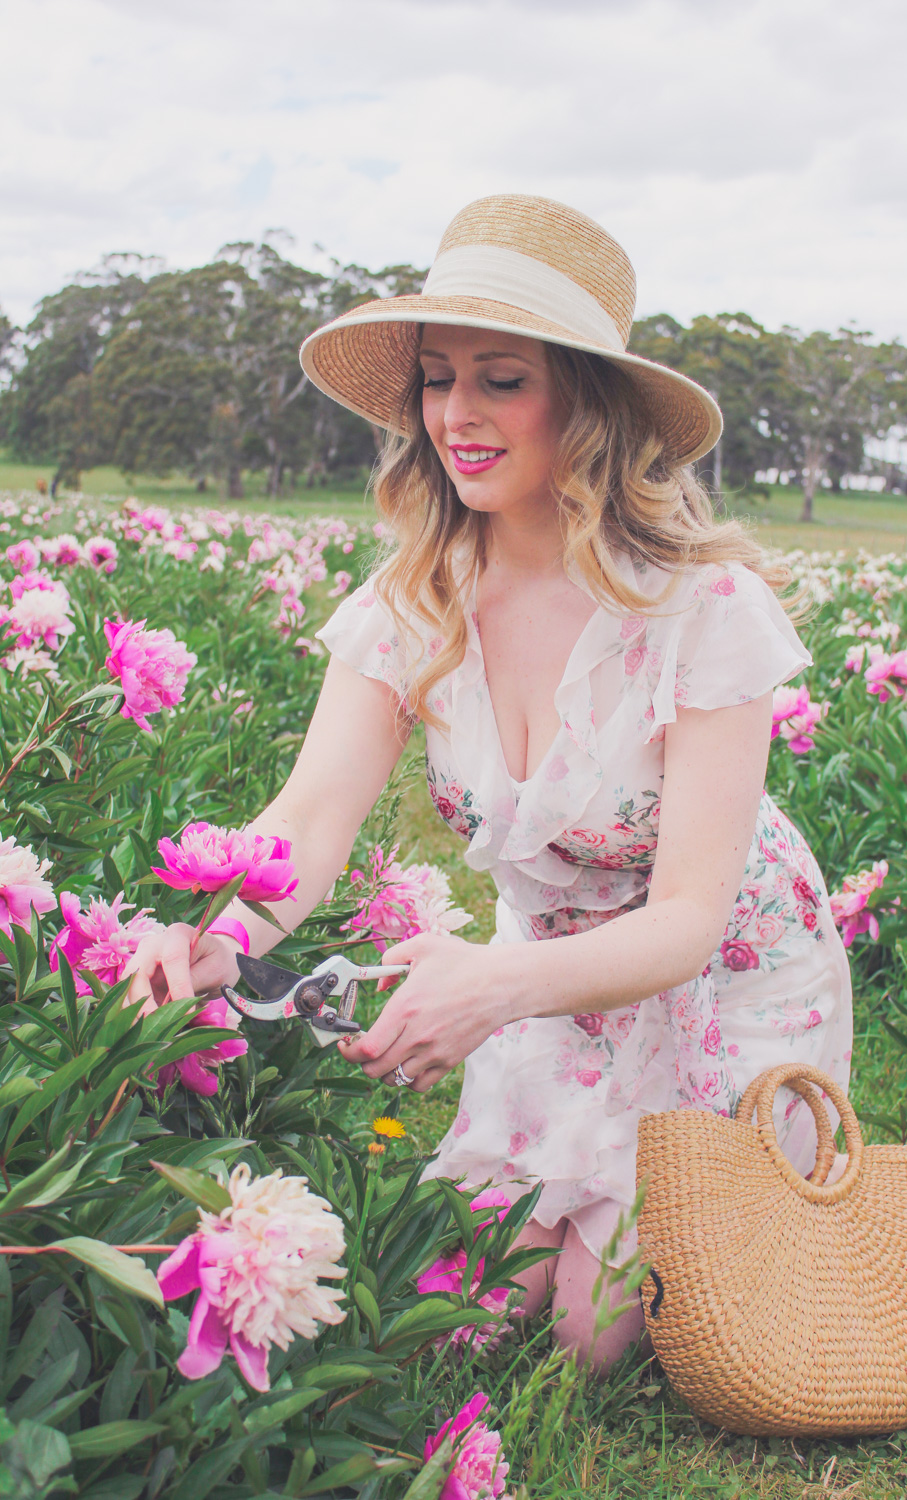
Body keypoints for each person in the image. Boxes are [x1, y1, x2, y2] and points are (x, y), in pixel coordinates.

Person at [126, 195, 852, 1375]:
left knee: (588, 1334)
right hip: (544, 980)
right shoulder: (412, 601)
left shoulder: (702, 614)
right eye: (437, 378)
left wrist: (493, 989)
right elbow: (308, 820)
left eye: (501, 379)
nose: (457, 415)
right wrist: (219, 930)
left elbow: (687, 922)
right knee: (468, 1310)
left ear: (585, 401)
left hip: (725, 985)